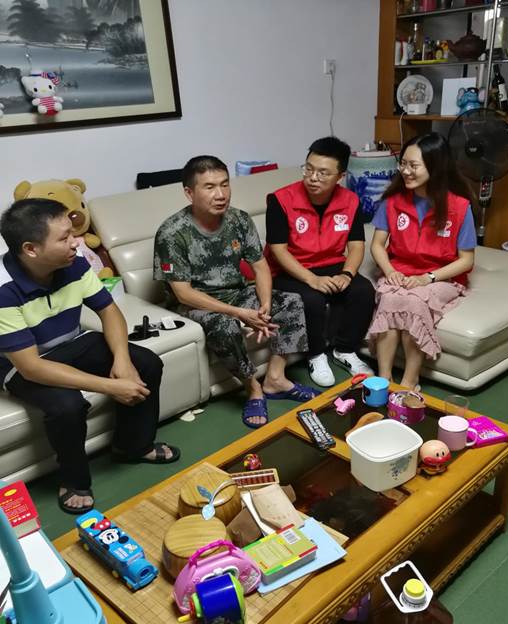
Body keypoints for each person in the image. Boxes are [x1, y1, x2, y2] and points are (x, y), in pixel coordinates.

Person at [0, 199, 180, 515]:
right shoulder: (4, 289)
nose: (76, 242)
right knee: (67, 406)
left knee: (146, 362)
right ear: (31, 249)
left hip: (72, 342)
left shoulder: (74, 262)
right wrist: (111, 386)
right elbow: (31, 367)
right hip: (21, 363)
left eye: (73, 233)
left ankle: (133, 446)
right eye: (64, 238)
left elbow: (108, 311)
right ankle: (73, 481)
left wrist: (122, 361)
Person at [153, 156, 318, 430]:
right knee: (225, 324)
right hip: (196, 305)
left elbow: (260, 266)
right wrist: (239, 313)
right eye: (209, 187)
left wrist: (264, 306)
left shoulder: (239, 219)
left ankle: (275, 379)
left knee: (291, 302)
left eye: (225, 184)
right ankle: (253, 388)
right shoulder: (172, 233)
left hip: (237, 292)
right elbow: (183, 294)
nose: (221, 194)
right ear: (189, 193)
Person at [368, 132, 477, 390]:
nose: (406, 171)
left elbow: (466, 260)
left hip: (440, 277)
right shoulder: (392, 202)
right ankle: (383, 380)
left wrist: (428, 278)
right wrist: (390, 271)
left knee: (414, 302)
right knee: (391, 299)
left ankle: (409, 382)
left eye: (413, 165)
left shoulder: (459, 207)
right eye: (403, 164)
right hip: (400, 270)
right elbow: (377, 245)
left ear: (435, 167)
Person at [266, 136, 375, 388]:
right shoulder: (280, 200)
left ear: (340, 176)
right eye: (309, 169)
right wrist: (312, 279)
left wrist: (347, 274)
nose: (313, 178)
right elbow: (278, 250)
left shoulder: (350, 201)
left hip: (332, 262)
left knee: (362, 290)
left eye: (323, 173)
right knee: (312, 298)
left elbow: (356, 245)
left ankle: (345, 350)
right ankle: (315, 355)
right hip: (290, 268)